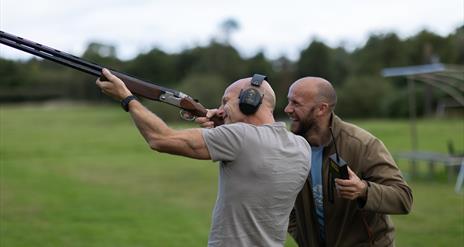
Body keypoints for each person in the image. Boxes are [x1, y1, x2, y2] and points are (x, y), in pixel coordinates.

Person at [95, 69, 311, 247]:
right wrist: (224, 125)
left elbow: (159, 138)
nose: (220, 109)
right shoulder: (301, 146)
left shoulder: (239, 137)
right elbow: (257, 151)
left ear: (250, 100)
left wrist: (127, 98)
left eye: (226, 101)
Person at [284, 77, 413, 247]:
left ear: (321, 109)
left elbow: (403, 198)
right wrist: (302, 236)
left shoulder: (362, 144)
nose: (287, 109)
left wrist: (363, 191)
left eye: (296, 103)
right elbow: (284, 202)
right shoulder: (288, 148)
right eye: (288, 101)